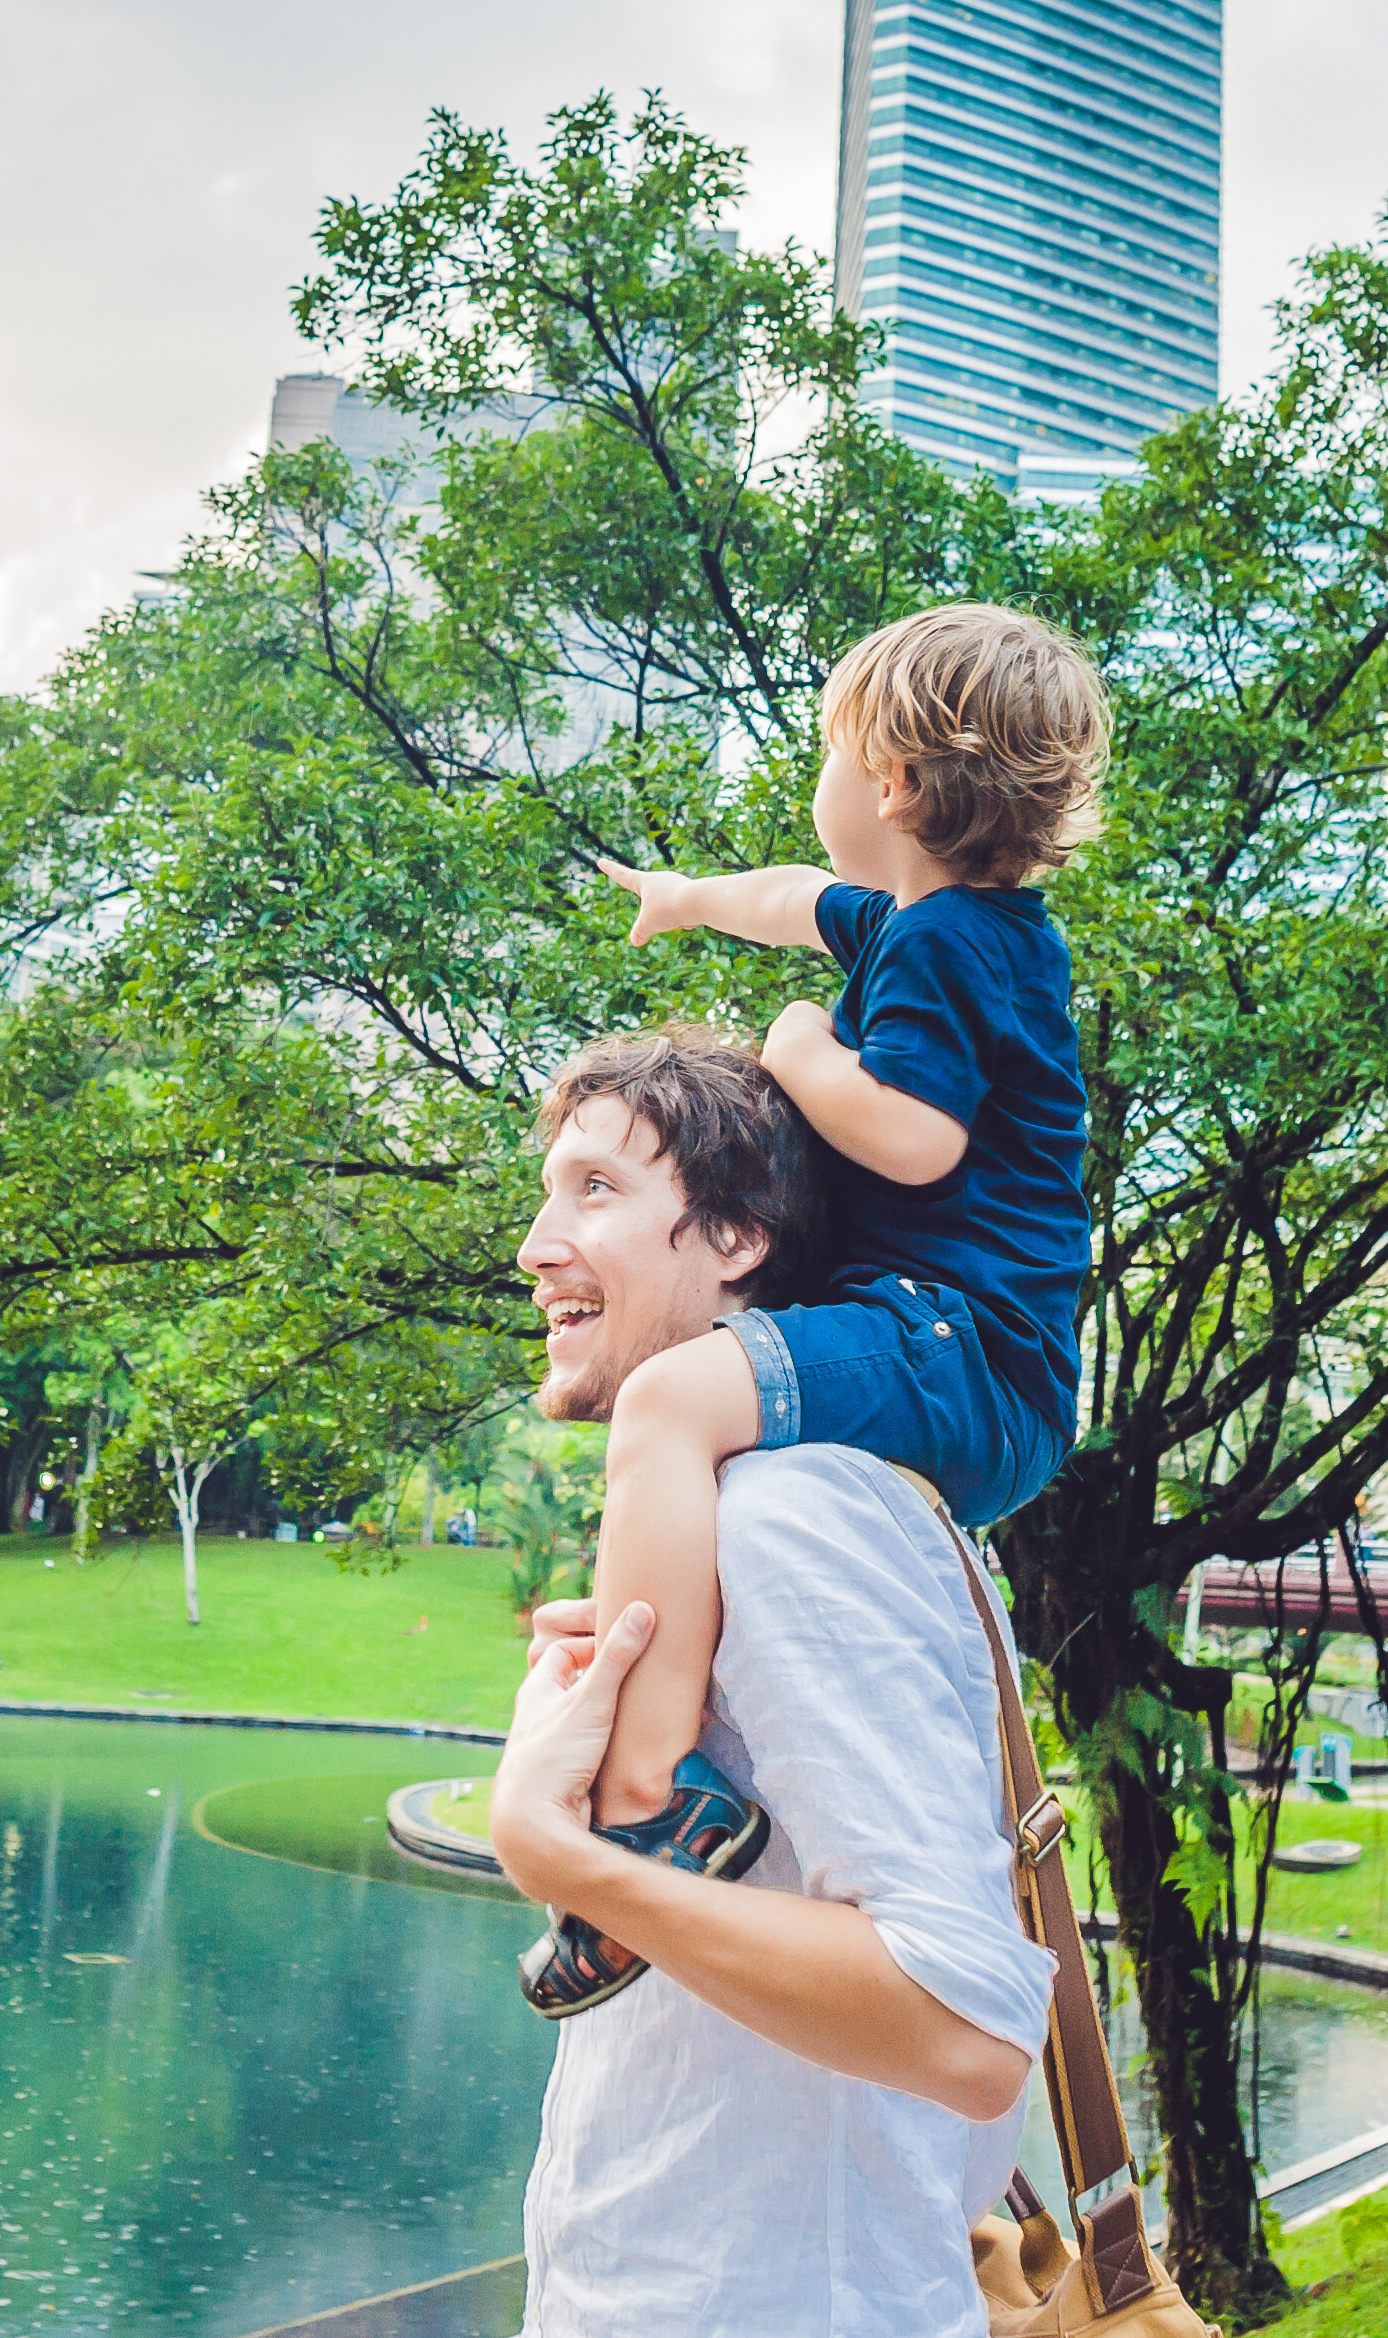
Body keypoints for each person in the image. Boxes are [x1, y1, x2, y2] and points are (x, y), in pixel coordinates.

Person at [523, 603, 1106, 2017]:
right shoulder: (956, 929)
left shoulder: (942, 949)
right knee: (698, 1423)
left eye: (832, 755)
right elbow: (795, 898)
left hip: (960, 1340)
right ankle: (660, 1725)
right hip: (972, 1354)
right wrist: (684, 894)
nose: (821, 789)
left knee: (672, 1403)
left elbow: (915, 1141)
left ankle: (654, 1796)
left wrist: (796, 1043)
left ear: (894, 784)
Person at [494, 1028, 1051, 2334]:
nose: (534, 1245)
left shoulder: (789, 1516)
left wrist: (562, 1857)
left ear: (737, 1237)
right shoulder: (733, 1518)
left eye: (595, 1190)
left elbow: (966, 2025)